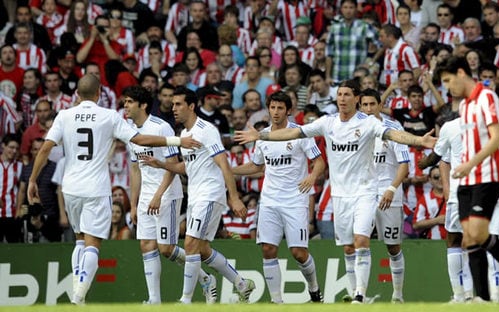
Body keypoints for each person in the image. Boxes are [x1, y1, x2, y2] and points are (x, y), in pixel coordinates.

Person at [234, 79, 436, 303]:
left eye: (347, 94)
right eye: (339, 94)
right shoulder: (327, 123)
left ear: (356, 99)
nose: (341, 99)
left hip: (365, 192)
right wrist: (260, 136)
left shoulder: (367, 123)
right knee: (349, 247)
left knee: (361, 241)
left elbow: (393, 135)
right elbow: (294, 133)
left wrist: (419, 140)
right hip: (340, 196)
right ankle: (353, 293)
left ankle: (360, 295)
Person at [26, 74, 201, 304]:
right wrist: (177, 141)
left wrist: (32, 180)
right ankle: (78, 296)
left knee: (79, 240)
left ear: (77, 94)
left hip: (70, 188)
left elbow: (46, 148)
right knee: (92, 244)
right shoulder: (109, 116)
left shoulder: (64, 115)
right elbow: (140, 141)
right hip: (96, 189)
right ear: (99, 93)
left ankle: (79, 292)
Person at [142, 86, 256, 304]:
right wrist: (161, 164)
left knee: (191, 244)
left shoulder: (207, 130)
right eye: (173, 104)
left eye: (178, 104)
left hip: (210, 194)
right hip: (195, 196)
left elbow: (223, 163)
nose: (173, 108)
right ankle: (242, 284)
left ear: (191, 106)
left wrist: (234, 197)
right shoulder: (184, 134)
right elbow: (187, 167)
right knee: (202, 249)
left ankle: (185, 299)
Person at [437, 56, 499, 303]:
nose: (447, 87)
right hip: (466, 180)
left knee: (477, 234)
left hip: (489, 176)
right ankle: (483, 300)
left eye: (448, 80)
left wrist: (469, 163)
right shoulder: (465, 105)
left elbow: (497, 138)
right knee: (469, 239)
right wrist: (463, 168)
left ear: (460, 72)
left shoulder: (487, 97)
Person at [123, 85, 216, 304]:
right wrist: (134, 204)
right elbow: (136, 169)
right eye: (124, 102)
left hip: (167, 195)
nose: (125, 106)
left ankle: (205, 278)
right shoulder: (130, 132)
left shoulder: (160, 127)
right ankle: (154, 299)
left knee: (166, 248)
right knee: (146, 245)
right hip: (146, 196)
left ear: (142, 105)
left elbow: (173, 165)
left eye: (129, 101)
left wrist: (157, 195)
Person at [232, 91, 326, 303]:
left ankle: (314, 290)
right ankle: (277, 302)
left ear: (288, 111)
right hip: (270, 200)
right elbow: (257, 166)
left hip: (295, 200)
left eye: (280, 108)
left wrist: (312, 176)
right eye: (272, 107)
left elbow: (319, 162)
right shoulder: (262, 136)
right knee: (267, 248)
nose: (275, 112)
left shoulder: (300, 133)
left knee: (298, 253)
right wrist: (230, 171)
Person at [359, 88, 409, 303]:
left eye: (372, 104)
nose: (369, 109)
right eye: (365, 105)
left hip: (390, 195)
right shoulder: (354, 129)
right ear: (360, 106)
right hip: (363, 195)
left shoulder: (393, 128)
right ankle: (359, 295)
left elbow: (404, 165)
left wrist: (391, 188)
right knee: (358, 242)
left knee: (393, 246)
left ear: (380, 105)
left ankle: (397, 295)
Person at [0, 134, 23, 243]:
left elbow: (21, 190)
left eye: (16, 149)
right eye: (11, 147)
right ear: (3, 146)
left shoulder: (19, 166)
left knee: (14, 249)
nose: (14, 151)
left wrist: (19, 209)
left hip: (12, 214)